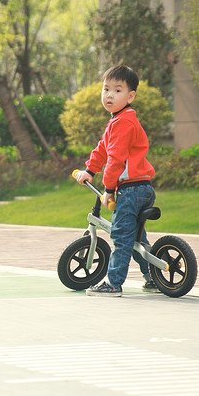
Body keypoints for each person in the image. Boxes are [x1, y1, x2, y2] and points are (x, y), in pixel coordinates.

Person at [72, 65, 157, 297]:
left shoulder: (123, 123)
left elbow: (116, 159)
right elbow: (103, 149)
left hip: (131, 190)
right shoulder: (117, 121)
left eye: (117, 90)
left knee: (121, 236)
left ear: (130, 96)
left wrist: (108, 189)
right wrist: (89, 169)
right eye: (106, 88)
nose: (109, 95)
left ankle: (114, 284)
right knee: (136, 237)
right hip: (140, 188)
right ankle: (153, 276)